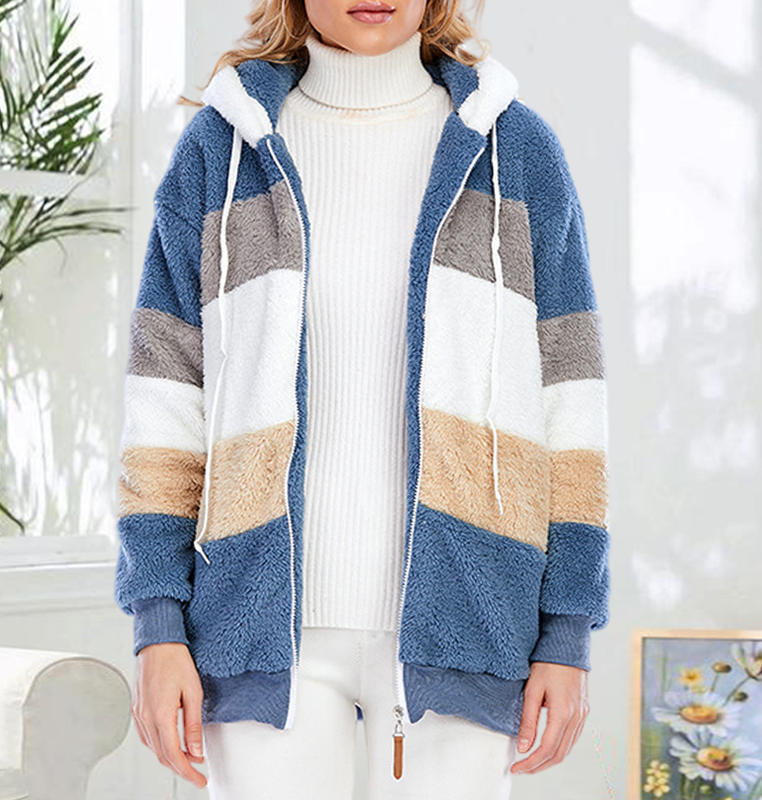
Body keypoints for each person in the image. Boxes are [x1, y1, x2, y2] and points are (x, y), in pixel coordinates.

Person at [114, 0, 610, 796]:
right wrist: (157, 622)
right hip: (258, 630)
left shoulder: (517, 151)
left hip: (469, 617)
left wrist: (567, 630)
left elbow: (572, 406)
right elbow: (165, 403)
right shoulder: (219, 152)